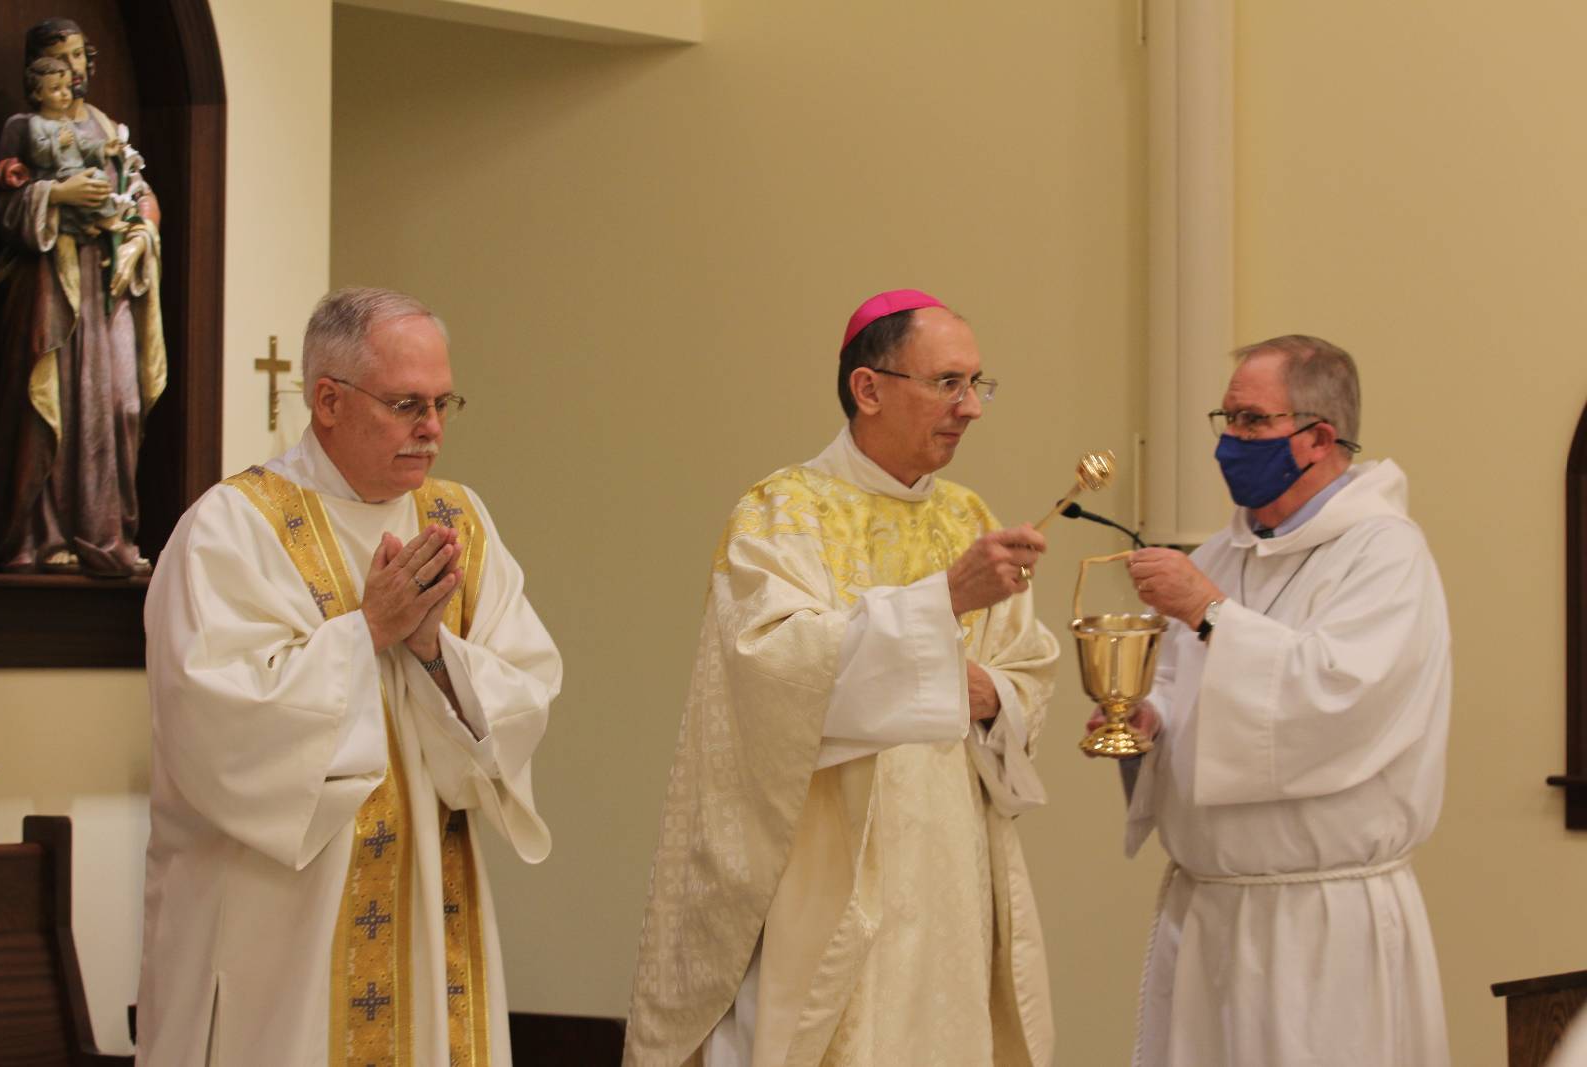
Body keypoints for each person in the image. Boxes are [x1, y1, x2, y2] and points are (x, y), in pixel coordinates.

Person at [624, 289, 1061, 1067]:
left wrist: (995, 697)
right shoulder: (782, 512)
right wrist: (944, 602)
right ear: (869, 388)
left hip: (951, 868)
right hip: (828, 871)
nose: (970, 408)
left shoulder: (967, 516)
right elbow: (771, 672)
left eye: (977, 384)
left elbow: (1025, 665)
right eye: (948, 384)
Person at [137, 288, 563, 1066]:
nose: (432, 428)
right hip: (283, 937)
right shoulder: (232, 529)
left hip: (432, 914)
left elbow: (524, 692)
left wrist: (436, 652)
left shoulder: (458, 521)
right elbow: (215, 725)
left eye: (443, 403)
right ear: (328, 401)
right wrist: (366, 632)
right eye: (407, 404)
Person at [1103, 334, 1451, 1065]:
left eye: (1251, 422)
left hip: (1320, 924)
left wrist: (1211, 614)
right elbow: (1176, 680)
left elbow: (1339, 699)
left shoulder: (1385, 554)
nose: (1229, 441)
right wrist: (1150, 717)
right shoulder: (1221, 554)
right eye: (1224, 419)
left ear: (1317, 437)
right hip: (1208, 911)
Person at [0, 16, 165, 576]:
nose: (75, 70)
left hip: (109, 281)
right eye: (61, 61)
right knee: (53, 405)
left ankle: (107, 533)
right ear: (40, 72)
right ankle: (43, 538)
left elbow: (140, 193)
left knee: (120, 404)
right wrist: (57, 193)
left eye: (80, 58)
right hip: (53, 283)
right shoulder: (24, 127)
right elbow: (5, 209)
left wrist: (141, 236)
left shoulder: (109, 127)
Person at [21, 57, 128, 236]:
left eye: (67, 87)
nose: (65, 94)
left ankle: (87, 223)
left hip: (75, 170)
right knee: (97, 179)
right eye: (56, 89)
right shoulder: (37, 123)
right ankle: (106, 219)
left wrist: (102, 149)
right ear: (38, 94)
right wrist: (57, 142)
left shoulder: (65, 121)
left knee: (98, 183)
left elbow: (82, 145)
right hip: (58, 175)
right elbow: (37, 155)